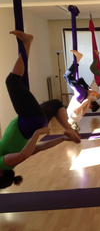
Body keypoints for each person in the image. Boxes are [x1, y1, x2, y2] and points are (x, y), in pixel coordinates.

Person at [0, 30, 81, 190]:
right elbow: (26, 153)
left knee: (57, 103)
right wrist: (38, 134)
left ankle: (68, 130)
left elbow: (39, 148)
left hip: (35, 120)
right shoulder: (5, 163)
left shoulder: (11, 159)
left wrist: (63, 139)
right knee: (12, 82)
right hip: (30, 120)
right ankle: (27, 42)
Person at [64, 50, 98, 132]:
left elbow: (85, 109)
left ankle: (77, 59)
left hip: (81, 95)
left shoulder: (78, 120)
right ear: (71, 125)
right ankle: (78, 59)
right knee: (66, 76)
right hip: (80, 95)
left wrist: (89, 95)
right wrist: (90, 94)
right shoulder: (73, 116)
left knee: (75, 79)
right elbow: (84, 105)